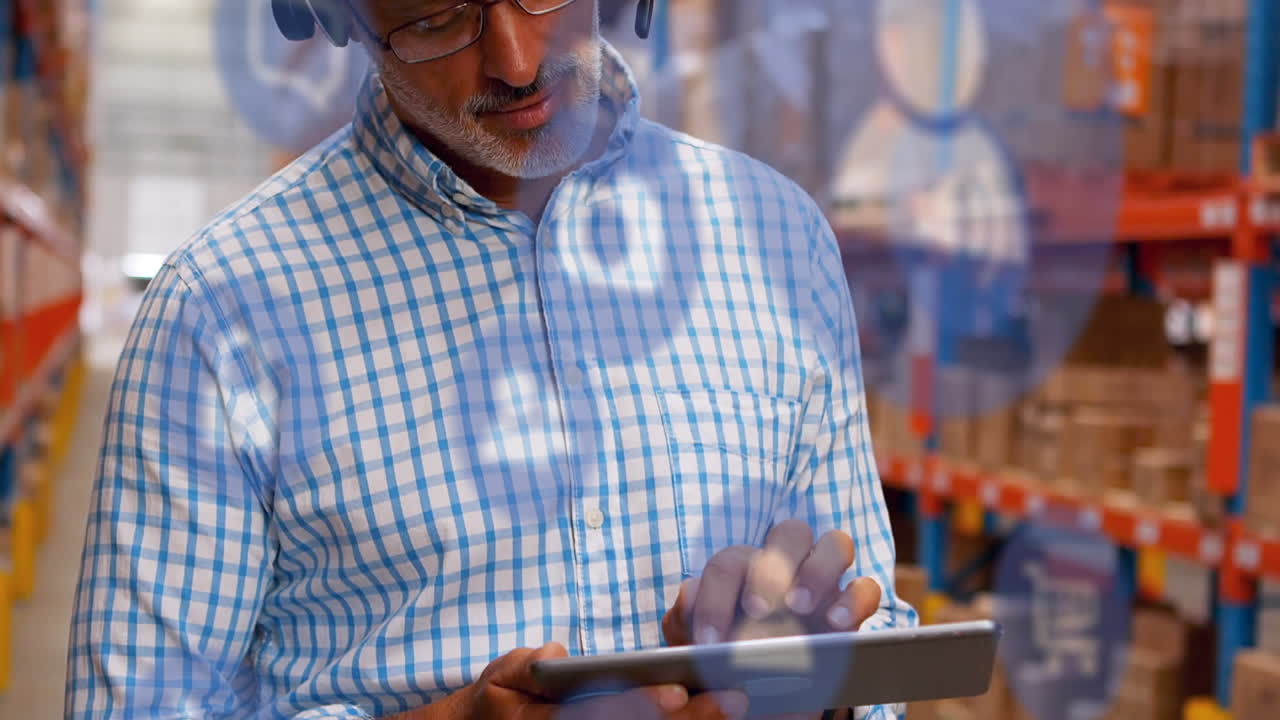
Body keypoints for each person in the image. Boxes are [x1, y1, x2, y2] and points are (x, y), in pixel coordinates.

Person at [66, 1, 915, 718]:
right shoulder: (221, 308)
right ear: (342, 16)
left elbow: (880, 641)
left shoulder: (775, 237)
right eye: (438, 19)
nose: (516, 61)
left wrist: (816, 685)